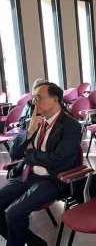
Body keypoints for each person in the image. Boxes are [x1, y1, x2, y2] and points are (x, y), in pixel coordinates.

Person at [0, 82, 82, 246]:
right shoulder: (35, 120)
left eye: (38, 98)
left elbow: (58, 159)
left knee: (14, 213)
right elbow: (14, 153)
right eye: (33, 98)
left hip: (51, 179)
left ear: (55, 99)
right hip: (27, 174)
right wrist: (29, 131)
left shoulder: (71, 126)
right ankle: (35, 243)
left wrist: (30, 154)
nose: (34, 102)